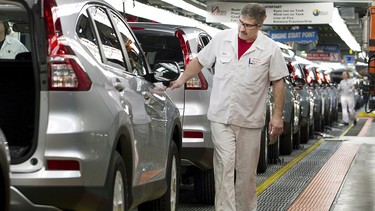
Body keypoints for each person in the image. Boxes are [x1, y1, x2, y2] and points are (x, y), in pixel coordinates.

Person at [170, 3, 288, 211]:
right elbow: (200, 61)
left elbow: (279, 82)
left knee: (246, 173)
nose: (242, 29)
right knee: (224, 166)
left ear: (260, 25)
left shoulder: (270, 49)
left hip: (250, 120)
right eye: (241, 23)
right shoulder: (222, 40)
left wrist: (277, 116)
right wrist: (181, 79)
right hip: (221, 117)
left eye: (249, 26)